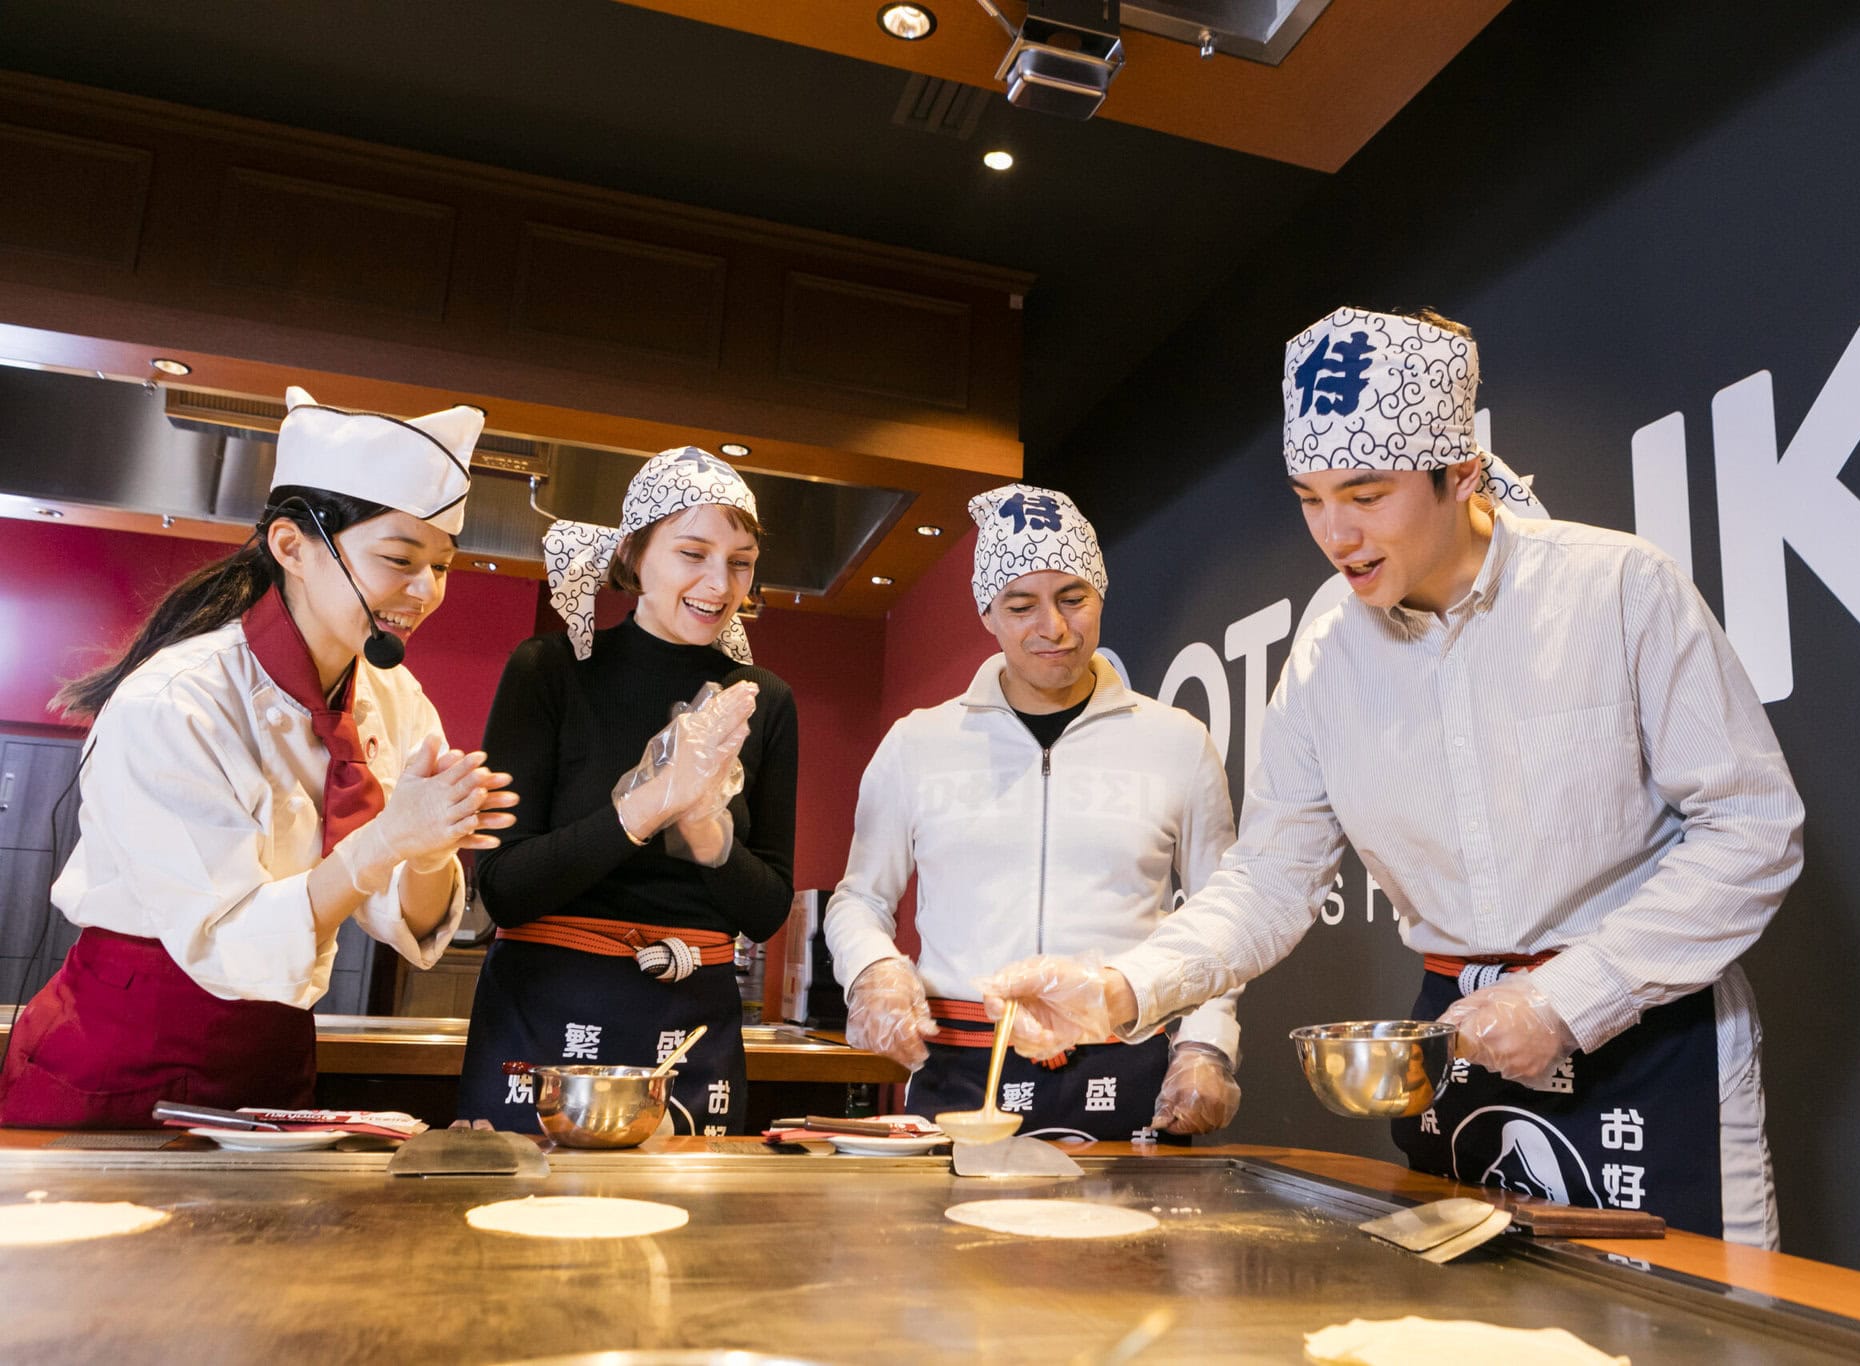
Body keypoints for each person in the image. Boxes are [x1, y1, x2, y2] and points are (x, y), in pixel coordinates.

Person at [980, 309, 1803, 1245]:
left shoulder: (1618, 588)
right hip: (1457, 1046)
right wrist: (1123, 989)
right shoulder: (1328, 650)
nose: (1335, 533)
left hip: (1652, 1043)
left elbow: (1753, 828)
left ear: (1459, 474)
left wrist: (1572, 998)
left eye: (1365, 494)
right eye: (1310, 497)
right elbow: (1269, 881)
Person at [0, 386, 514, 1127]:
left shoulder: (393, 698)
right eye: (400, 559)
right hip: (124, 1044)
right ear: (292, 547)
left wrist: (432, 848)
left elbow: (397, 917)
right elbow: (226, 938)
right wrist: (387, 840)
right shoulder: (178, 699)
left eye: (441, 564)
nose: (425, 591)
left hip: (272, 1049)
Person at [825, 484, 1241, 1141]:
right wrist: (872, 972)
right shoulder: (917, 744)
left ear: (1101, 594)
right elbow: (858, 899)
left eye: (1074, 599)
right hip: (960, 1065)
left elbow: (1224, 918)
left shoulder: (1178, 743)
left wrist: (1207, 1044)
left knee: (1128, 1245)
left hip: (1127, 1063)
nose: (1053, 628)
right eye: (1022, 606)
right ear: (987, 612)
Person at [455, 448, 795, 1138]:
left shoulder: (763, 701)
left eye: (740, 561)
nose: (718, 582)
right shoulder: (549, 670)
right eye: (692, 553)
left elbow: (765, 912)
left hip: (689, 1021)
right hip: (546, 1011)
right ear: (636, 555)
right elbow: (504, 888)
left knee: (690, 1244)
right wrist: (648, 804)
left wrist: (704, 829)